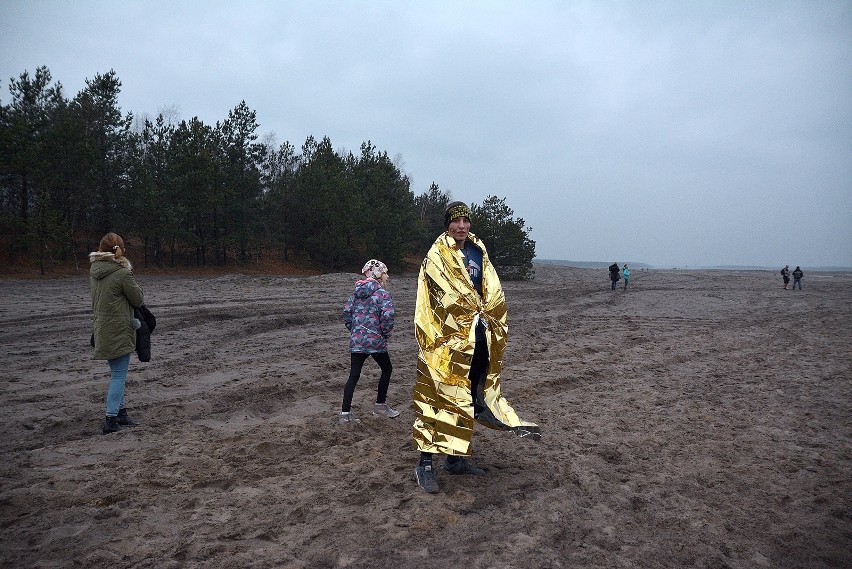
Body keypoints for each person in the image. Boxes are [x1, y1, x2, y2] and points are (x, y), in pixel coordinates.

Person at [412, 201, 540, 494]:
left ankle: (456, 459)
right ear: (447, 224)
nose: (461, 226)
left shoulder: (477, 251)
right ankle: (425, 463)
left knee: (468, 399)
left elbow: (490, 290)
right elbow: (432, 300)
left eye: (465, 221)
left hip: (477, 339)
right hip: (445, 343)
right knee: (438, 399)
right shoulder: (436, 255)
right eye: (456, 221)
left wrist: (488, 320)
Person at [89, 232, 144, 435]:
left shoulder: (95, 270)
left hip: (102, 329)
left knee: (116, 373)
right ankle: (111, 419)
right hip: (119, 330)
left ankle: (121, 413)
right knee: (119, 375)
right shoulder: (122, 273)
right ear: (120, 250)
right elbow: (138, 299)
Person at [340, 259, 400, 424]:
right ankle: (380, 405)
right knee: (387, 369)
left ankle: (345, 414)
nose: (387, 277)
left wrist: (355, 331)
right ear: (378, 274)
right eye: (385, 273)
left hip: (357, 341)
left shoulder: (355, 293)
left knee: (354, 375)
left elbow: (347, 313)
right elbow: (387, 316)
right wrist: (385, 334)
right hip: (376, 341)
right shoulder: (382, 294)